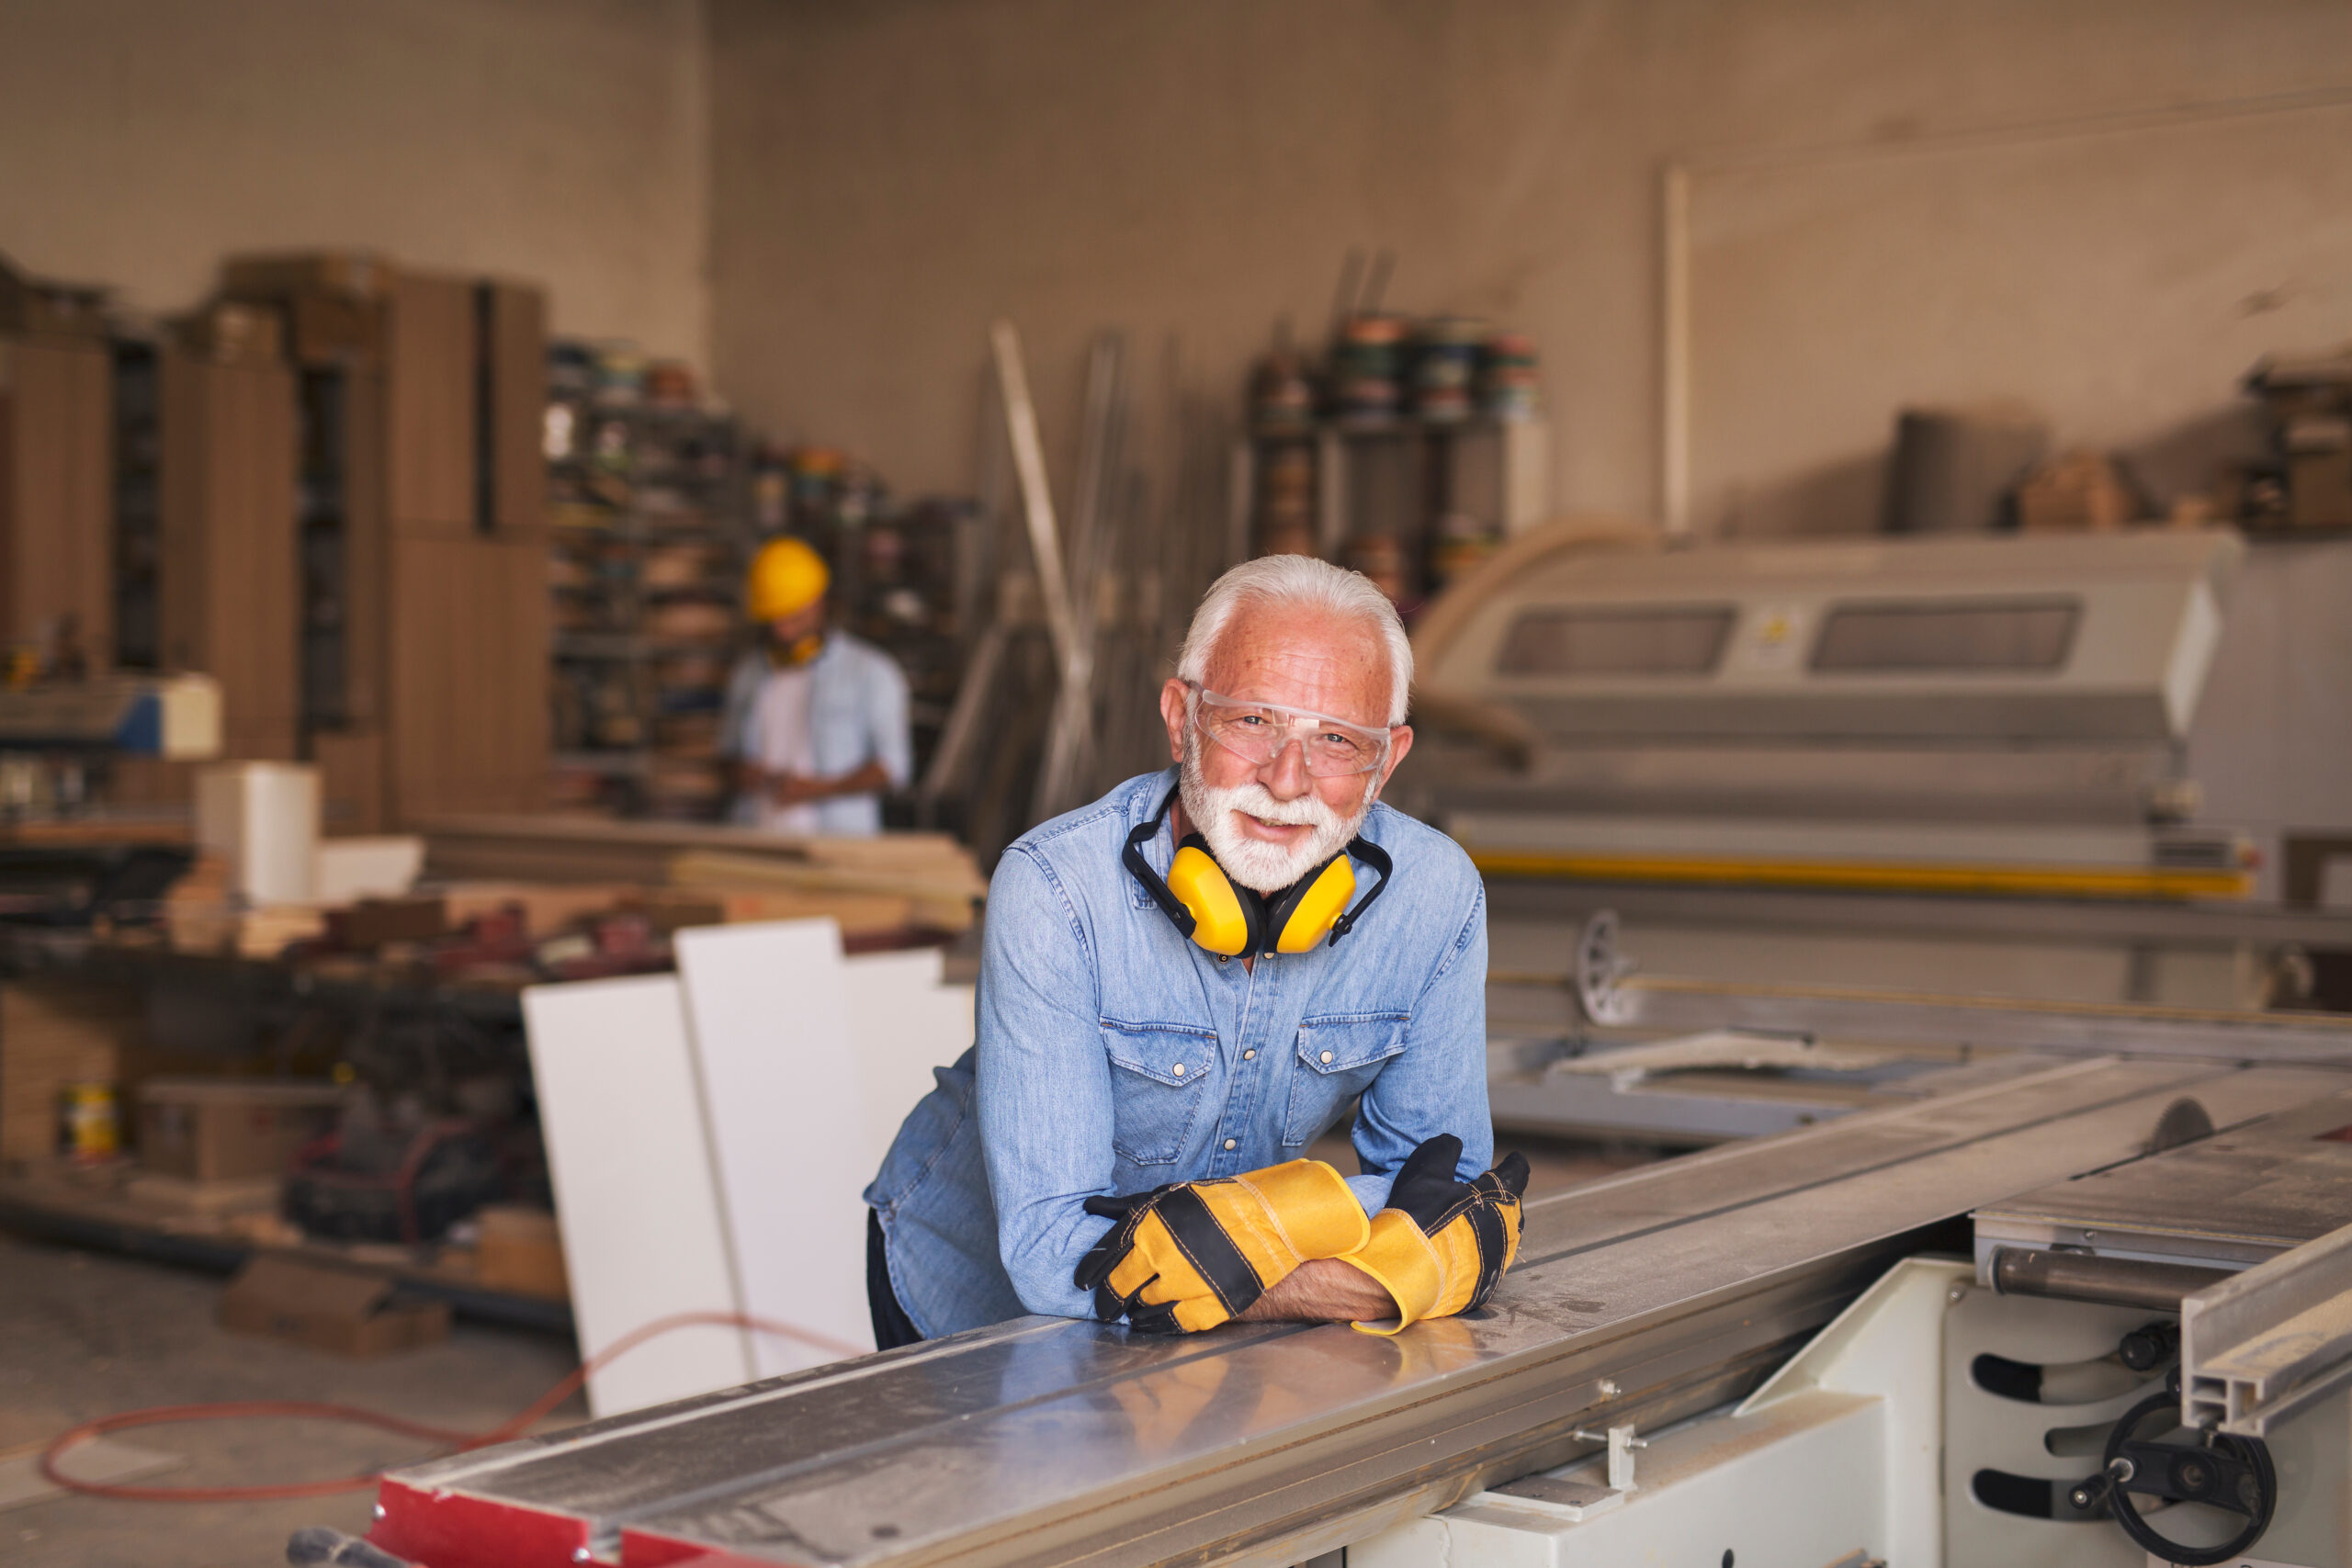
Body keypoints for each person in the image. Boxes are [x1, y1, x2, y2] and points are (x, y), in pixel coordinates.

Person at [863, 555, 1525, 1349]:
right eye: (1253, 721)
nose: (1288, 780)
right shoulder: (1054, 890)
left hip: (1198, 1317)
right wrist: (1362, 1274)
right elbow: (1048, 1250)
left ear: (1386, 763)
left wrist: (1238, 1250)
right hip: (968, 1293)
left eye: (1338, 740)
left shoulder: (1435, 896)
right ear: (1182, 718)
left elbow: (1437, 1189)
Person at [719, 536, 911, 835]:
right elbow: (726, 759)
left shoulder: (871, 672)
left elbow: (892, 769)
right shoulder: (748, 674)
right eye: (774, 619)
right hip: (758, 840)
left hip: (840, 847)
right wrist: (751, 777)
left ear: (818, 602)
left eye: (792, 617)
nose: (782, 630)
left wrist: (816, 790)